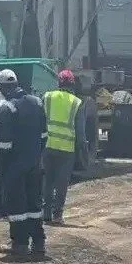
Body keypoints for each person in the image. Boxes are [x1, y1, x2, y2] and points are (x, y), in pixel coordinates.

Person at [0, 69, 49, 261]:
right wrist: (35, 155)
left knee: (17, 206)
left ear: (2, 87)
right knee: (34, 204)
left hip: (14, 166)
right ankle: (39, 243)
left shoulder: (7, 108)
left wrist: (1, 167)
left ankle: (20, 244)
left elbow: (4, 145)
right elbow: (44, 136)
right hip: (34, 162)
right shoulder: (37, 102)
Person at [43, 69, 87, 226]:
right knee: (61, 183)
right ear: (73, 84)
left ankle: (46, 214)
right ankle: (57, 215)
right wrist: (83, 151)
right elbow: (80, 132)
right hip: (67, 150)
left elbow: (41, 121)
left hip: (48, 146)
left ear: (59, 83)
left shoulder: (48, 97)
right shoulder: (76, 103)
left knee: (47, 181)